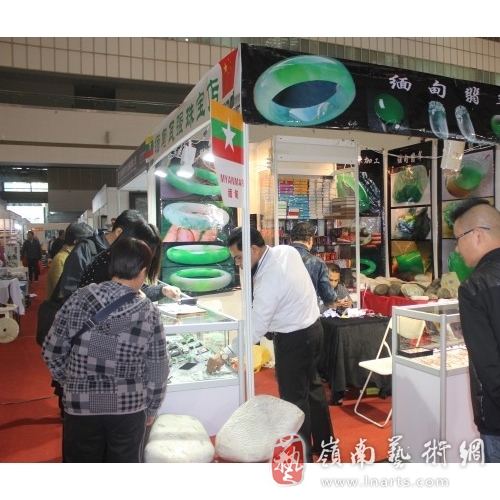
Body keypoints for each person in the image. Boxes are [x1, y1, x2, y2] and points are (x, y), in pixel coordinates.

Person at [207, 226, 334, 460]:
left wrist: (226, 353)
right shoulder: (287, 251)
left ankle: (302, 458)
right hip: (314, 330)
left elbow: (257, 327)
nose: (238, 263)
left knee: (294, 402)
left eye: (239, 257)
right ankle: (327, 446)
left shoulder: (268, 279)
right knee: (313, 389)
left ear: (254, 249)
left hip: (294, 340)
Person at [42, 237, 169, 463]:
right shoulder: (148, 312)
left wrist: (69, 380)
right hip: (128, 406)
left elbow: (52, 350)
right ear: (143, 270)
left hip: (80, 405)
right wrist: (152, 408)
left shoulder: (79, 298)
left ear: (112, 264)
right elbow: (158, 368)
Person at [449, 198, 500, 463]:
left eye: (458, 239)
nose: (457, 249)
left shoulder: (474, 287)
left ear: (477, 235)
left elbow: (488, 366)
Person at [79, 220, 181, 302]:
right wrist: (140, 303)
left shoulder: (115, 259)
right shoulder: (107, 264)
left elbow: (137, 288)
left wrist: (162, 290)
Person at [59, 209, 144, 300]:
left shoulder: (120, 254)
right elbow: (69, 291)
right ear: (118, 232)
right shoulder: (85, 249)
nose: (134, 245)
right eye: (132, 239)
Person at [289, 222, 337, 309]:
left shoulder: (278, 259)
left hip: (282, 313)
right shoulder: (318, 263)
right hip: (307, 312)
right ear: (310, 240)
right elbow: (328, 296)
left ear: (290, 240)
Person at [46, 223, 94, 300]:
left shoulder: (77, 256)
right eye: (87, 242)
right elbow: (61, 293)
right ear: (76, 241)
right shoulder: (61, 259)